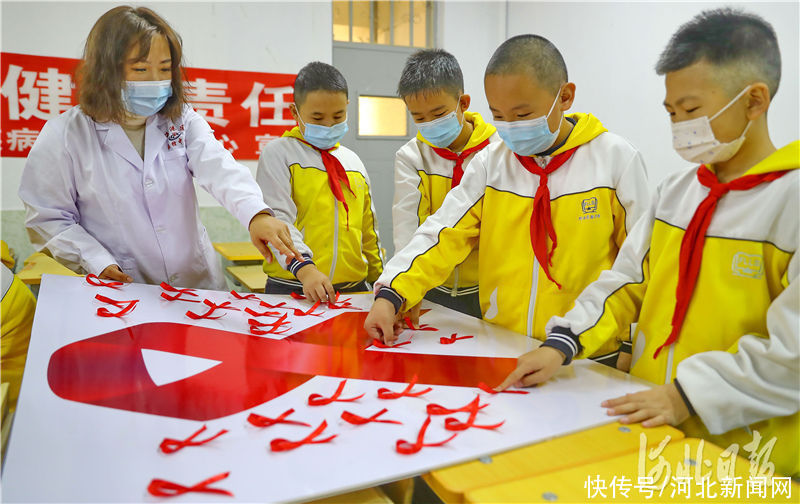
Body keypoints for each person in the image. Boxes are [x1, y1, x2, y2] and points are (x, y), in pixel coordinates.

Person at [499, 9, 798, 477]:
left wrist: (686, 395)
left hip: (747, 453)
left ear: (754, 100)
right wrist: (562, 343)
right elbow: (625, 282)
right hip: (648, 427)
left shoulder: (790, 202)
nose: (679, 125)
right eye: (671, 112)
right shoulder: (676, 193)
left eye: (693, 110)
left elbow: (792, 354)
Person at [365, 35, 650, 369]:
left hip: (587, 351)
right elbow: (443, 231)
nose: (510, 128)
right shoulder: (492, 163)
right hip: (504, 344)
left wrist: (629, 341)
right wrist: (392, 292)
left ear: (565, 96)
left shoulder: (615, 160)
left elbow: (638, 262)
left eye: (523, 114)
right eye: (498, 115)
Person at [18, 6, 302, 290]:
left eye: (165, 69)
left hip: (195, 285)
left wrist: (257, 214)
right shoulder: (66, 135)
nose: (155, 80)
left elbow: (222, 170)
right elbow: (49, 218)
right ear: (105, 70)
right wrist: (95, 261)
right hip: (122, 288)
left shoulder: (182, 121)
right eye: (141, 69)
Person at [256, 62, 383, 302]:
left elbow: (369, 231)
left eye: (338, 116)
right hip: (294, 285)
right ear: (295, 112)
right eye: (317, 117)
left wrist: (383, 281)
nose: (328, 125)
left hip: (354, 290)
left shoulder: (352, 161)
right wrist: (306, 269)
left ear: (347, 106)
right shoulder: (279, 154)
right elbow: (278, 221)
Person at [393, 49, 499, 320]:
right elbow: (407, 226)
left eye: (438, 113)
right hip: (431, 287)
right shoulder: (412, 156)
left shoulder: (498, 151)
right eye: (418, 117)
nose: (429, 124)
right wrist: (404, 286)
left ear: (463, 102)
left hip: (487, 289)